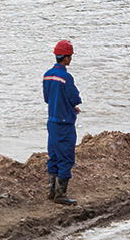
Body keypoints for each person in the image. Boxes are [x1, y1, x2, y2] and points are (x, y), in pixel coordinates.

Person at [43, 40, 82, 205]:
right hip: (65, 123)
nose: (71, 59)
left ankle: (51, 191)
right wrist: (72, 106)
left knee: (53, 155)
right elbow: (74, 98)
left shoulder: (47, 74)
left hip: (52, 121)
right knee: (66, 157)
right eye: (70, 56)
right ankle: (61, 194)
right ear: (65, 57)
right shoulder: (66, 77)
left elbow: (47, 98)